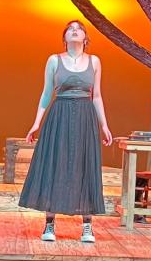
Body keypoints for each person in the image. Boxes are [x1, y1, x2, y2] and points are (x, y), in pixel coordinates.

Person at [19, 20, 113, 243]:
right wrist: (36, 123)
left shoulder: (95, 61)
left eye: (78, 28)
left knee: (85, 165)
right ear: (65, 38)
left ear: (85, 37)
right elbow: (45, 94)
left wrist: (105, 125)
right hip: (59, 114)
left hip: (85, 116)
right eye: (70, 28)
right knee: (55, 164)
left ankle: (87, 226)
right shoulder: (54, 60)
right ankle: (49, 223)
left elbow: (97, 95)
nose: (74, 30)